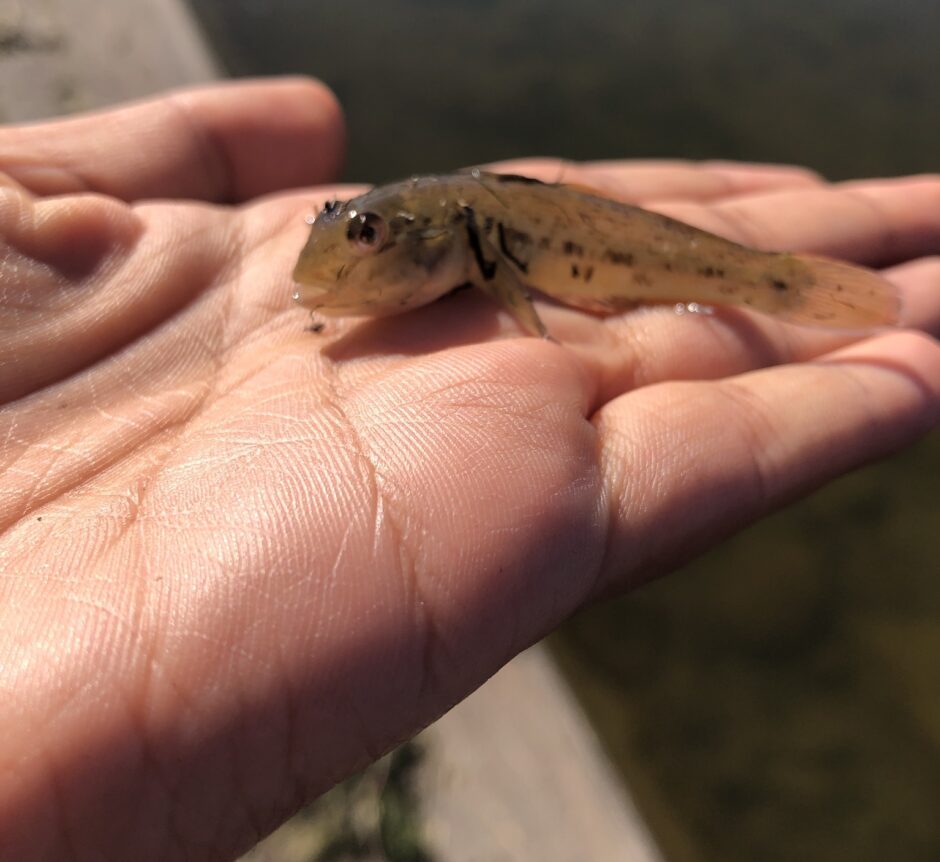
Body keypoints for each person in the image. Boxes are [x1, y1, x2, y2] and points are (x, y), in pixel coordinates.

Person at [0, 77, 937, 861]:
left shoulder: (470, 232)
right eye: (347, 231)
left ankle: (787, 288)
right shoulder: (427, 232)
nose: (340, 254)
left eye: (365, 236)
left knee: (760, 280)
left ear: (460, 241)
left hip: (655, 257)